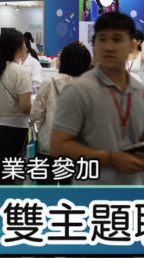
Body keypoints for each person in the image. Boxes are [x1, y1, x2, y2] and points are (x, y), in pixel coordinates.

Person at [50, 12, 144, 185]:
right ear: (94, 46)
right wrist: (111, 158)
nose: (109, 47)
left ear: (132, 46)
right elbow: (58, 146)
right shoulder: (78, 90)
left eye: (117, 39)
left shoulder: (143, 94)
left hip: (132, 194)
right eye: (102, 39)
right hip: (90, 195)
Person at [31, 41, 91, 184]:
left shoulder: (50, 83)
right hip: (78, 147)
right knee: (72, 189)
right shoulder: (90, 86)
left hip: (49, 145)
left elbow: (36, 114)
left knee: (46, 188)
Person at [0, 29, 32, 185]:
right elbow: (25, 107)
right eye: (23, 43)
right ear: (18, 47)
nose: (25, 46)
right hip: (14, 130)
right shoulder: (21, 72)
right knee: (9, 176)